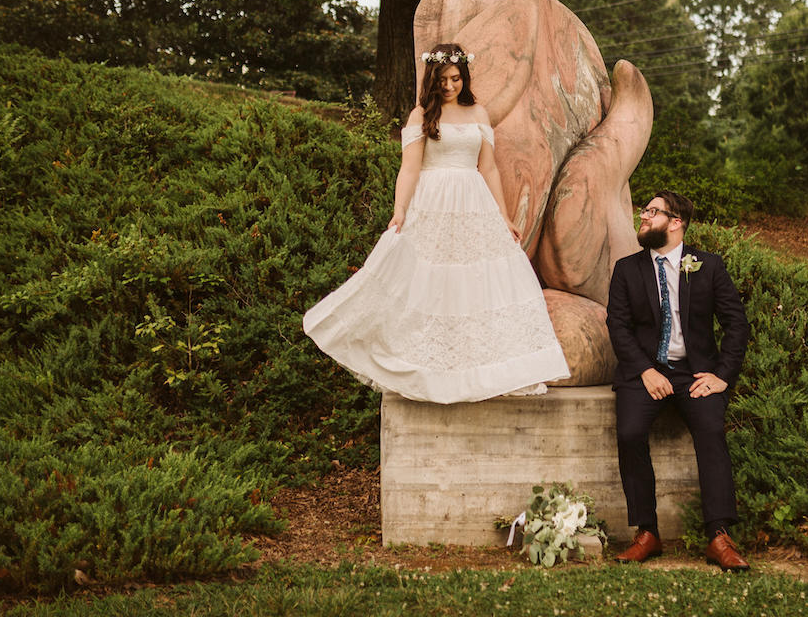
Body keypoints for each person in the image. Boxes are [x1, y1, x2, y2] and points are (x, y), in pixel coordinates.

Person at [303, 43, 570, 403]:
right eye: (442, 79)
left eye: (455, 78)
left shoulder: (478, 112)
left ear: (464, 77)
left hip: (474, 203)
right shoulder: (421, 115)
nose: (449, 86)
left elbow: (488, 167)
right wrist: (400, 211)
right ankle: (429, 368)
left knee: (479, 280)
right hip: (433, 202)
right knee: (433, 281)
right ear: (432, 79)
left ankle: (480, 370)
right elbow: (410, 168)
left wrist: (504, 215)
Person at [606, 190, 752, 571]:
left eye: (652, 212)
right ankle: (647, 533)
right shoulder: (627, 269)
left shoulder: (709, 266)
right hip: (644, 371)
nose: (644, 217)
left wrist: (722, 376)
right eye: (644, 211)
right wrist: (646, 370)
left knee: (711, 429)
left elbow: (737, 324)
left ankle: (719, 536)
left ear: (676, 222)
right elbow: (617, 327)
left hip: (694, 373)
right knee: (630, 433)